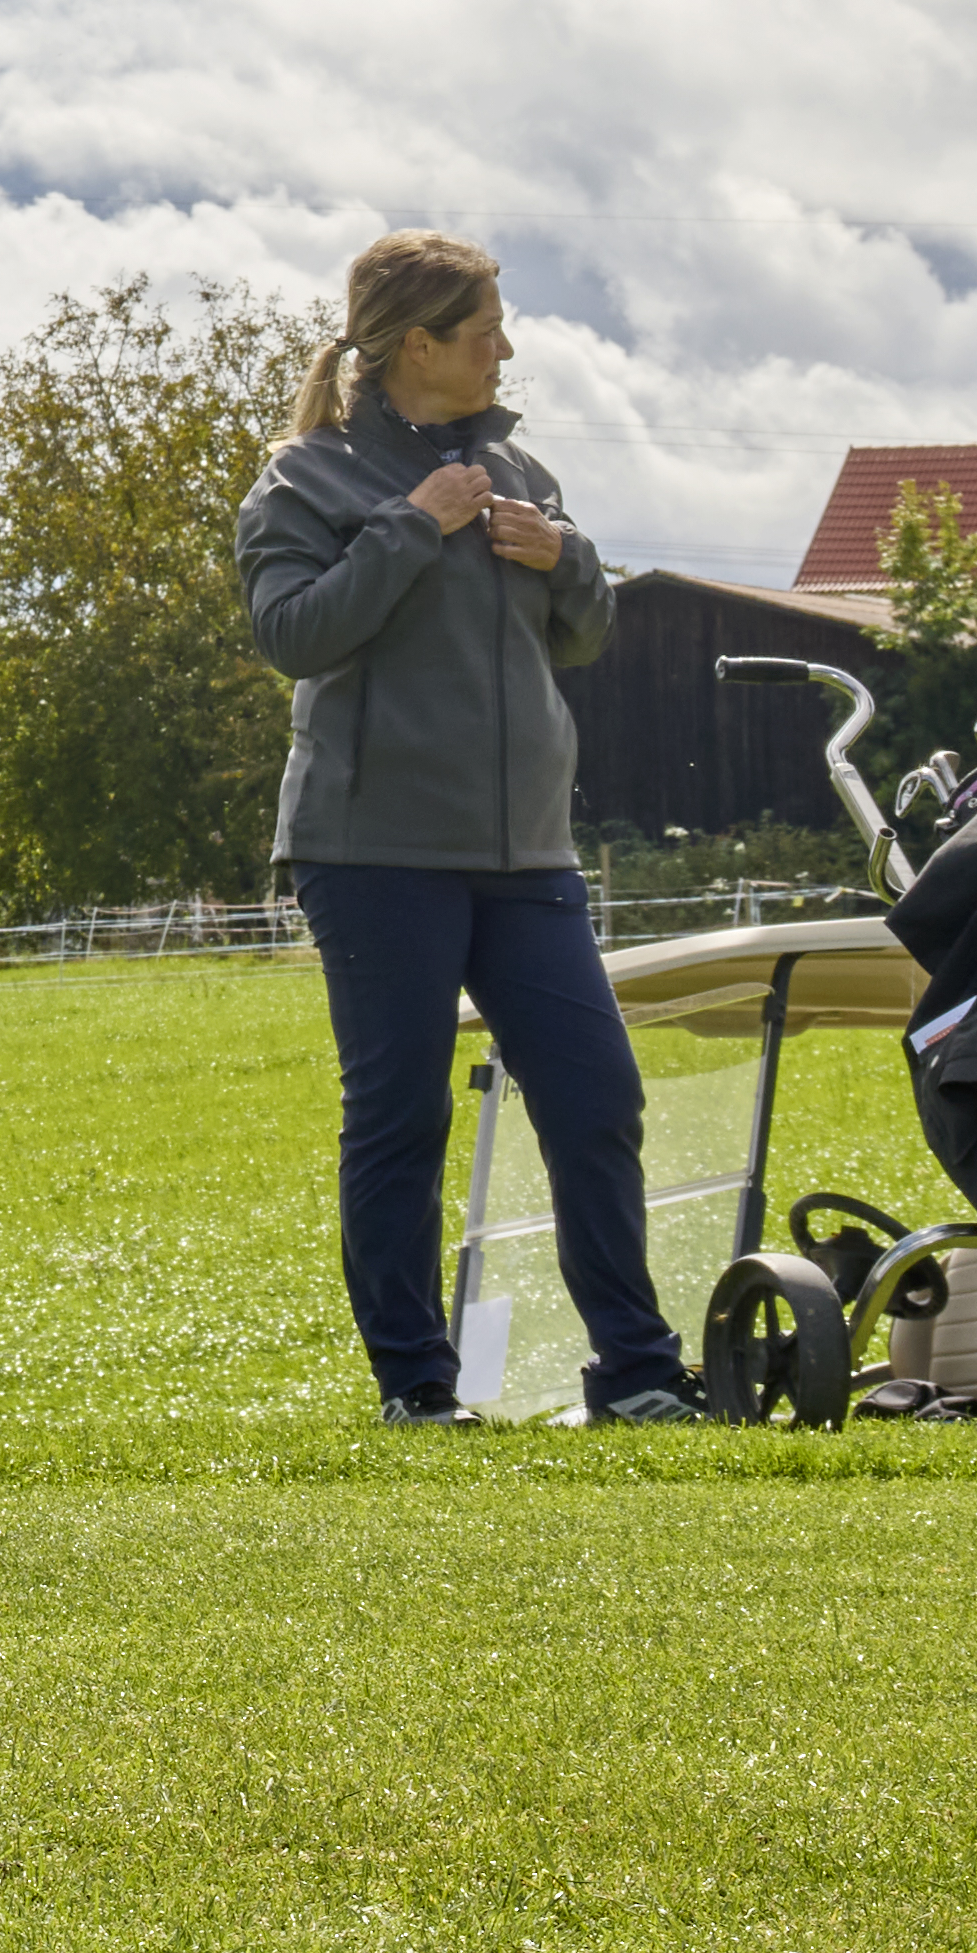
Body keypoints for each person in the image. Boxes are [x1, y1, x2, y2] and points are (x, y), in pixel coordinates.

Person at [235, 233, 690, 1427]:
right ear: (419, 345)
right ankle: (417, 1389)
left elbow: (581, 634)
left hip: (526, 852)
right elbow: (292, 636)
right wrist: (411, 527)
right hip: (372, 849)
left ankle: (638, 1377)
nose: (505, 343)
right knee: (402, 1117)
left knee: (595, 1097)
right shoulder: (306, 480)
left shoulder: (521, 472)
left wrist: (568, 556)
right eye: (485, 325)